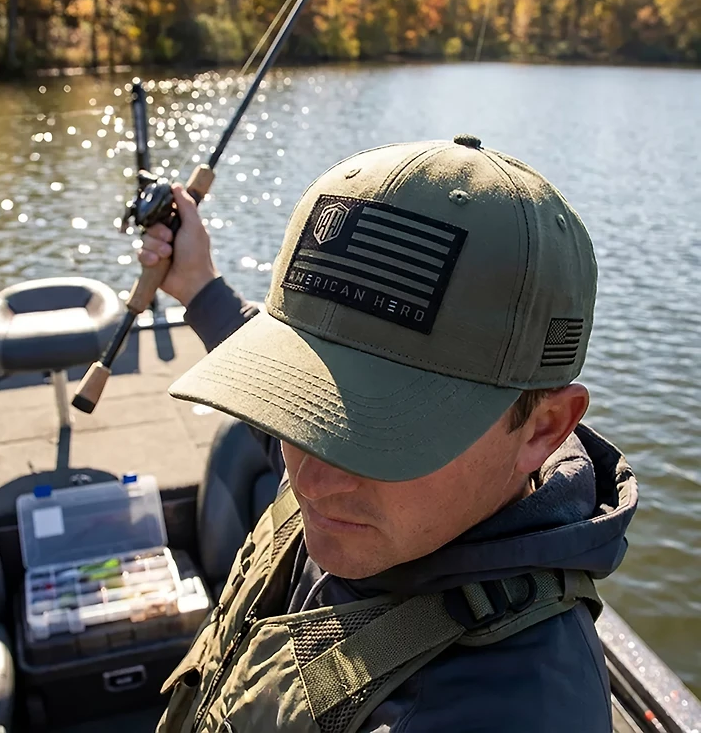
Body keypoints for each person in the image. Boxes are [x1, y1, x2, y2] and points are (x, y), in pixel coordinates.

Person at [139, 135, 638, 733]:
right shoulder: (409, 501)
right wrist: (199, 288)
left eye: (379, 434)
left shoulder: (507, 708)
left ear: (545, 428)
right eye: (300, 402)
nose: (311, 479)